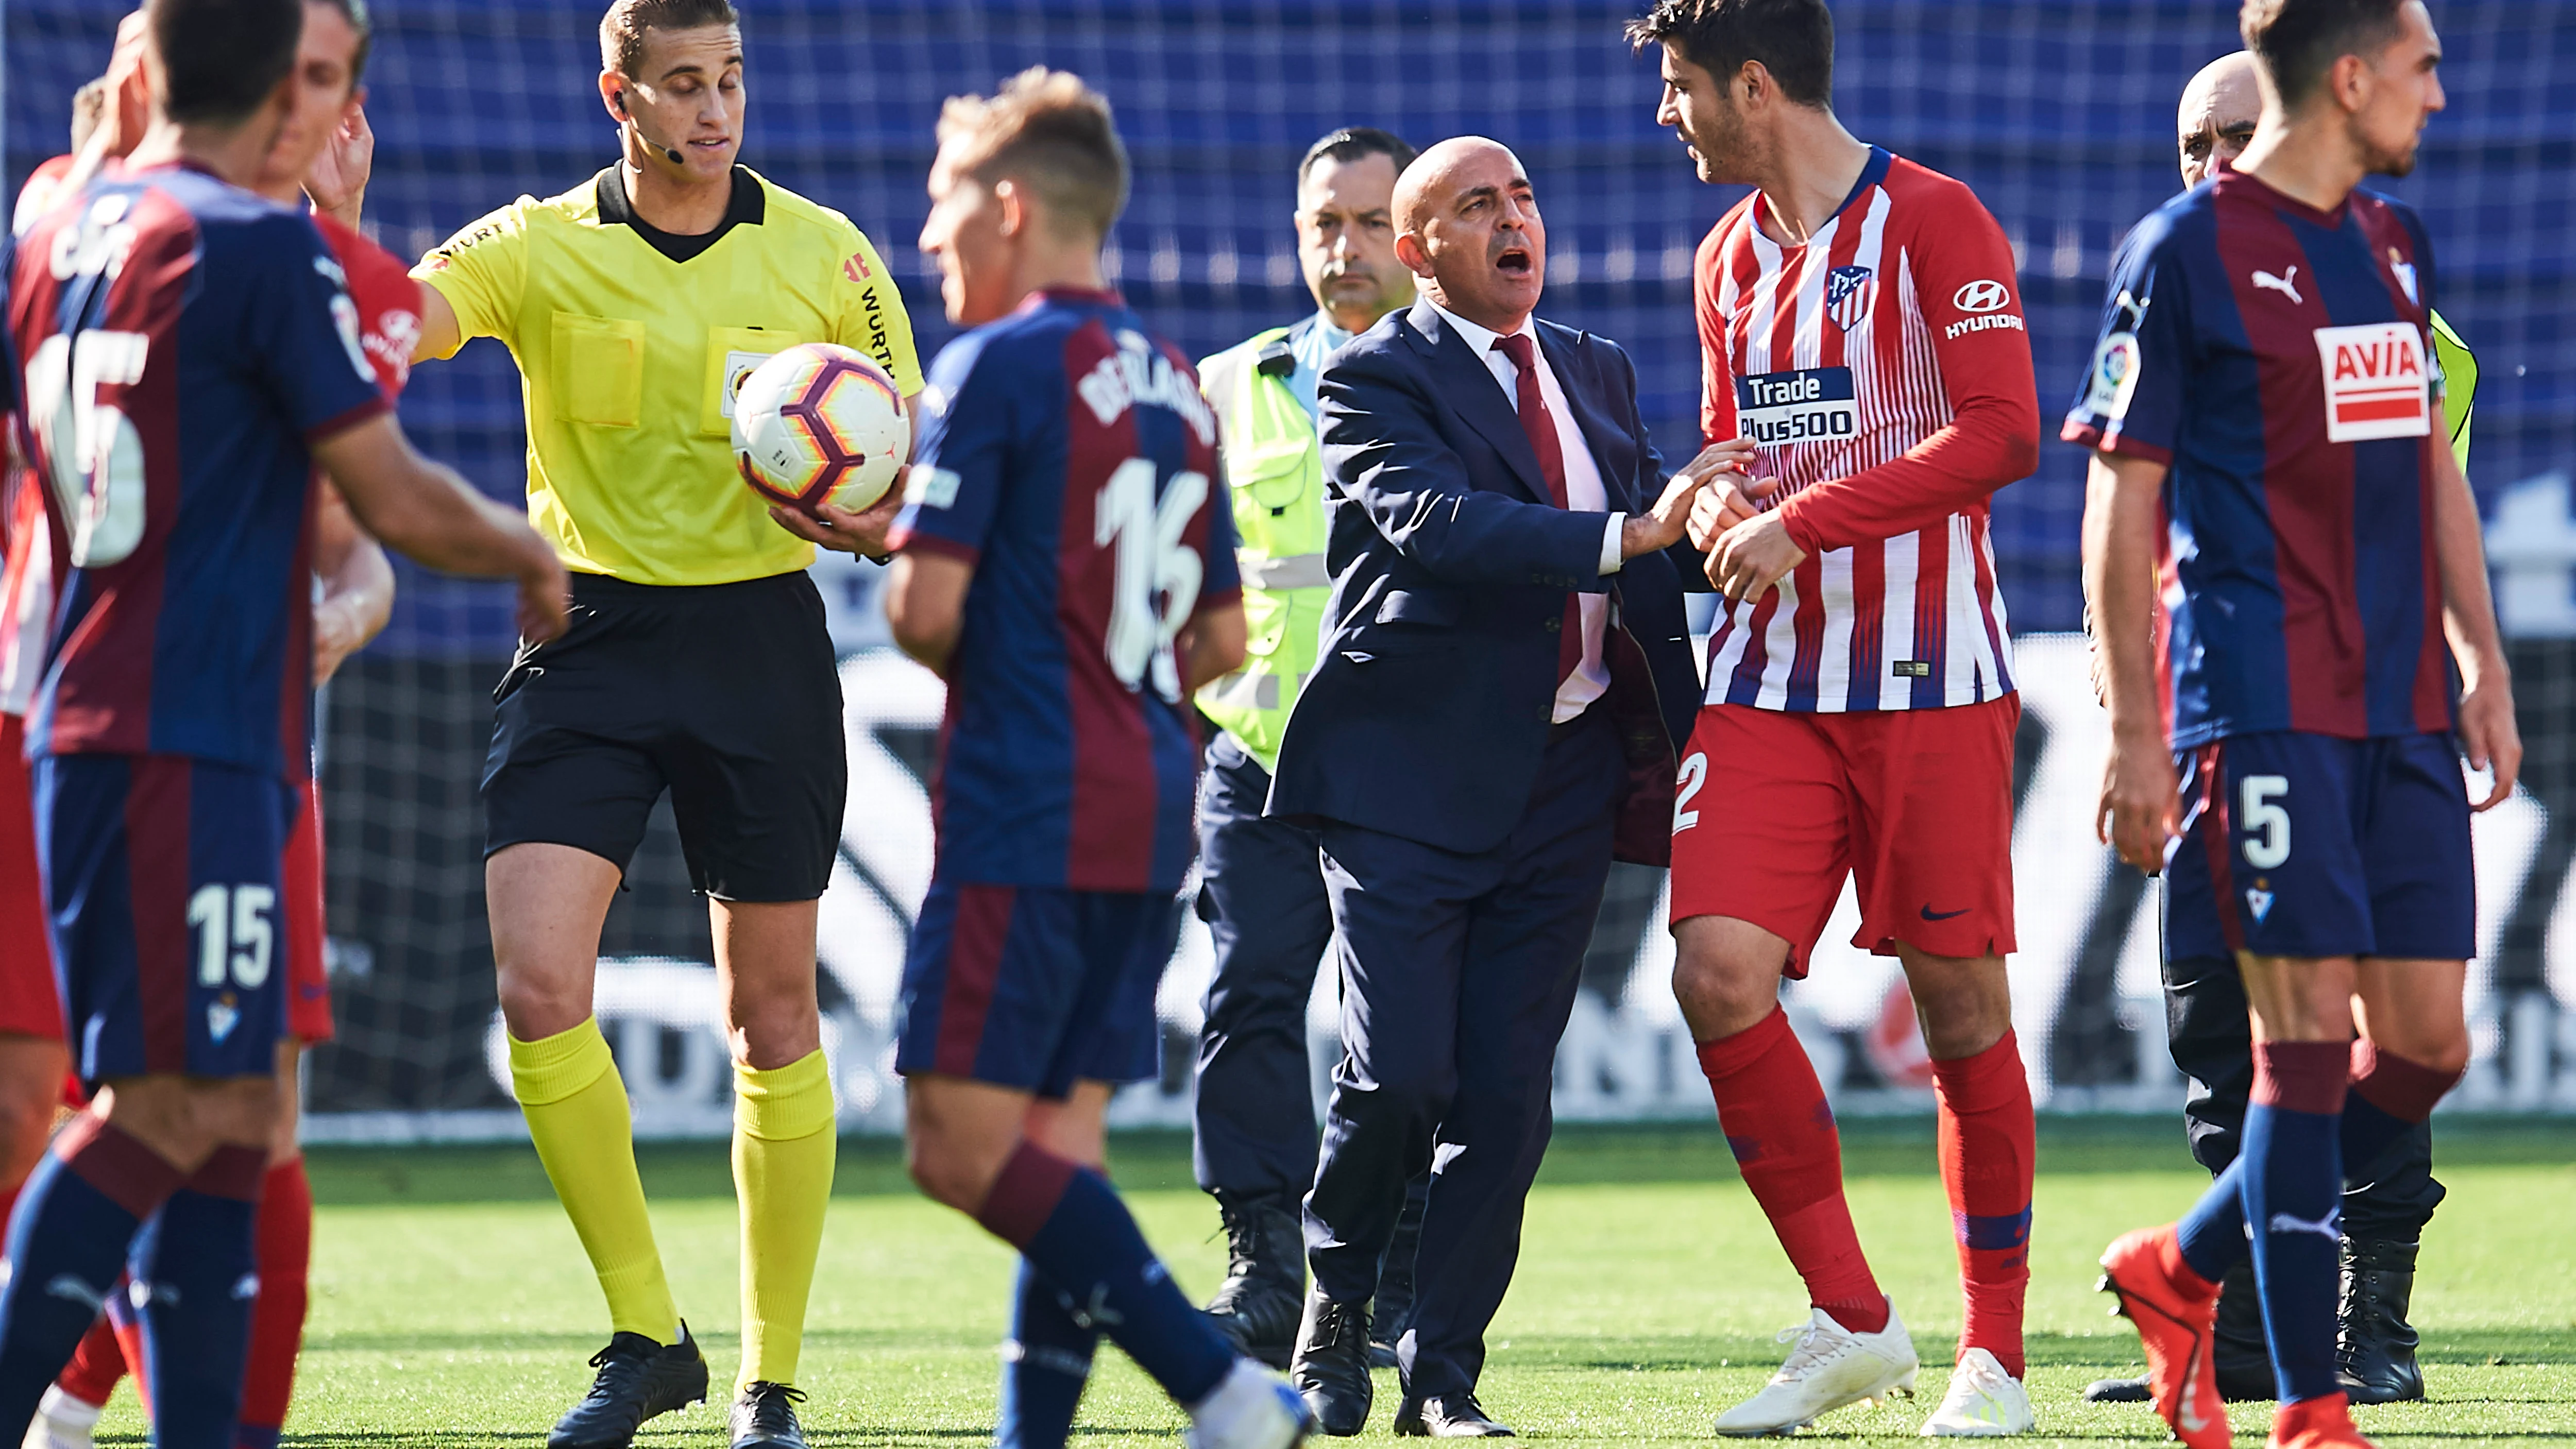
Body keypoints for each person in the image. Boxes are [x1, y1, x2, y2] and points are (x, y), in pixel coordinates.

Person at [0, 1, 566, 1443]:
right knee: (160, 1112)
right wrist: (528, 551)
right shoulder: (258, 249)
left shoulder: (65, 222)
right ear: (281, 95)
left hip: (121, 709)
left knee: (238, 1114)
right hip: (185, 723)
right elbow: (388, 495)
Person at [397, 0, 924, 1439]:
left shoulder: (828, 252)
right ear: (617, 92)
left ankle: (771, 1377)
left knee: (774, 1015)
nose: (714, 109)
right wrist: (333, 220)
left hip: (761, 638)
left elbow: (902, 476)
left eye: (731, 80)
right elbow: (396, 329)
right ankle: (646, 1333)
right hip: (588, 637)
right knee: (538, 989)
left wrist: (859, 517)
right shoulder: (532, 244)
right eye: (683, 85)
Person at [2070, 0, 2515, 1444]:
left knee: (2432, 1046)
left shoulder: (2393, 247)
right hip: (2259, 704)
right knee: (2301, 1046)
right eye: (2423, 66)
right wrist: (2138, 737)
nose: (2439, 98)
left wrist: (2481, 655)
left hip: (2399, 708)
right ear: (2349, 75)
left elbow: (2430, 473)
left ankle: (2179, 1263)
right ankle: (2313, 1401)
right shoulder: (2181, 253)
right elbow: (2119, 498)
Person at [1625, 0, 2043, 1434]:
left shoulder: (1936, 218)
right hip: (1769, 685)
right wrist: (1728, 496)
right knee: (1716, 971)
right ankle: (1856, 1317)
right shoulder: (1726, 258)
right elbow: (1743, 442)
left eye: (1681, 89)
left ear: (1755, 85)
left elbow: (2002, 431)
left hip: (1933, 678)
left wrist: (1801, 517)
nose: (1666, 116)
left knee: (1959, 1006)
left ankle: (1995, 1356)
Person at [880, 65, 1310, 1449]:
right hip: (1149, 793)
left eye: (948, 204)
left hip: (1029, 801)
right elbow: (1222, 635)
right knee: (1057, 1154)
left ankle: (1225, 1386)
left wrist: (879, 540)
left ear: (1012, 206)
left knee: (956, 1144)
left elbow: (927, 612)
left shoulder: (994, 365)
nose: (931, 235)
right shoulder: (1178, 383)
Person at [20, 6, 411, 1447]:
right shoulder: (110, 225)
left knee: (245, 1107)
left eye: (341, 82)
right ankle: (58, 1390)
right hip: (106, 708)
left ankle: (114, 1401)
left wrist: (357, 612)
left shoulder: (317, 268)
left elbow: (352, 535)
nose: (319, 108)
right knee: (112, 1102)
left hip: (244, 741)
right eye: (300, 76)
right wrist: (522, 556)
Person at [1273, 135, 1705, 1439]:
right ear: (1418, 253)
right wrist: (1628, 532)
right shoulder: (1368, 377)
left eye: (1522, 195)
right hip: (1404, 778)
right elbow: (1437, 526)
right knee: (1399, 1073)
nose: (1515, 219)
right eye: (1477, 206)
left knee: (1509, 1096)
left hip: (1565, 778)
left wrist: (1729, 526)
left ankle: (1443, 1376)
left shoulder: (1595, 367)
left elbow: (1648, 553)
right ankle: (1336, 1302)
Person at [1189, 124, 1423, 1371]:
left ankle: (1389, 1271)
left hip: (1412, 764)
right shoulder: (1227, 384)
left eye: (1373, 222)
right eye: (1324, 224)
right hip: (1260, 751)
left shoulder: (1467, 375)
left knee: (1401, 1036)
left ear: (1420, 235)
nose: (1347, 249)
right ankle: (1261, 1266)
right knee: (1250, 998)